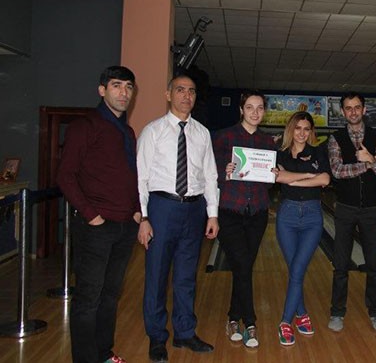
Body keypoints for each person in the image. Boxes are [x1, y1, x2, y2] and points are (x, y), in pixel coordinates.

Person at [57, 66, 139, 363]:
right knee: (88, 299)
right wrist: (92, 215)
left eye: (128, 87)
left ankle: (104, 354)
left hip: (124, 226)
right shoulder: (85, 126)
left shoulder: (127, 131)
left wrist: (137, 211)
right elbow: (65, 175)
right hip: (97, 227)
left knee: (110, 296)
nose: (124, 92)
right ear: (102, 90)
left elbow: (130, 174)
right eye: (116, 85)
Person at [136, 74, 219, 362]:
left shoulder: (202, 133)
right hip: (162, 207)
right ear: (168, 94)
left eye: (191, 91)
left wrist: (212, 214)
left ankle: (185, 332)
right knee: (157, 275)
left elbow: (210, 175)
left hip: (194, 209)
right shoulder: (153, 131)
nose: (186, 96)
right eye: (180, 90)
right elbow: (141, 177)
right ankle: (157, 337)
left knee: (186, 276)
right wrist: (144, 217)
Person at [213, 90, 276, 349]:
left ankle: (232, 317)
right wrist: (224, 171)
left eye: (259, 107)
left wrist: (272, 174)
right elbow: (210, 172)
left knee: (244, 267)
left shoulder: (268, 142)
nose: (254, 112)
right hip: (230, 212)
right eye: (249, 107)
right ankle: (250, 322)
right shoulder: (224, 137)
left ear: (264, 111)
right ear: (241, 110)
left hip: (257, 213)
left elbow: (268, 184)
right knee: (241, 263)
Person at [327, 92, 376, 333]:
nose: (353, 111)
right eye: (348, 108)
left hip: (372, 210)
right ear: (343, 112)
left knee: (373, 264)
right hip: (345, 208)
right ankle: (337, 312)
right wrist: (370, 163)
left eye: (357, 107)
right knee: (341, 264)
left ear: (364, 109)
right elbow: (337, 171)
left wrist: (372, 160)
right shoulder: (335, 138)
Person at [275, 111, 331, 346]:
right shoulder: (280, 152)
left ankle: (285, 322)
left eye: (306, 129)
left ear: (311, 132)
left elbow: (325, 179)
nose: (302, 133)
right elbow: (278, 177)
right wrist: (308, 175)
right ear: (291, 129)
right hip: (287, 216)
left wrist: (293, 179)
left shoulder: (318, 152)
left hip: (312, 217)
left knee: (298, 269)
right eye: (298, 128)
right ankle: (302, 314)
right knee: (295, 270)